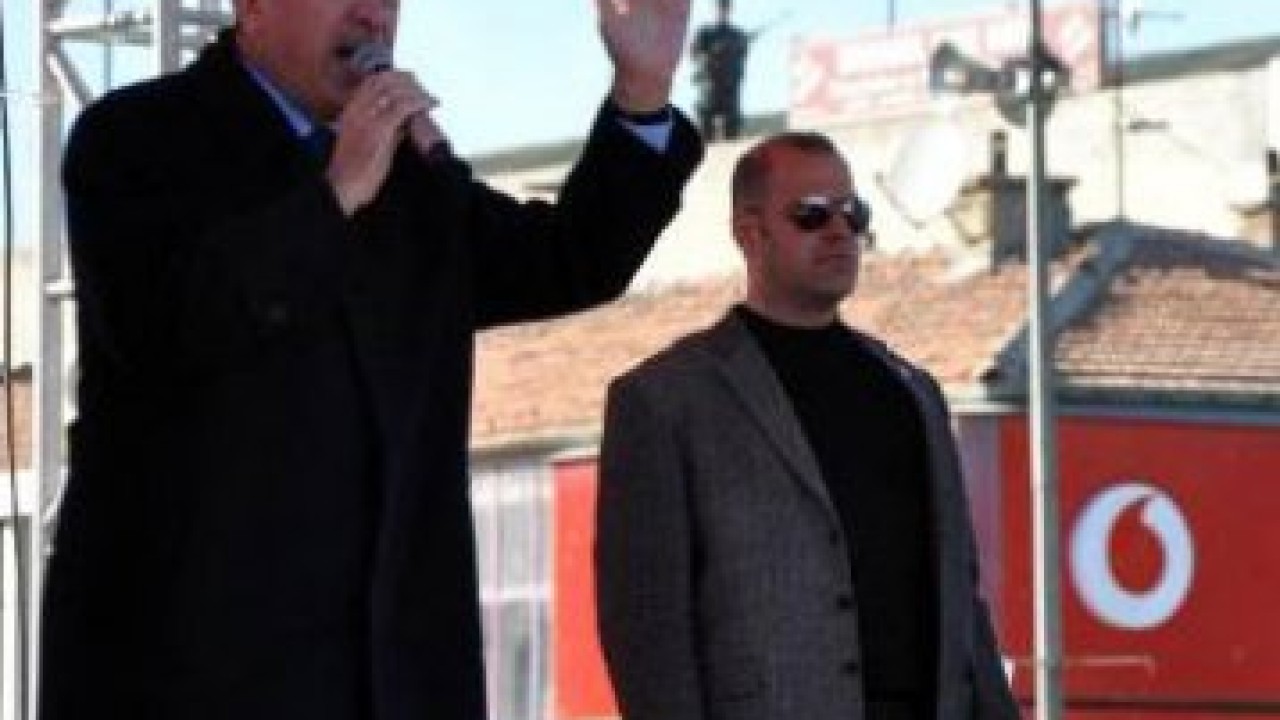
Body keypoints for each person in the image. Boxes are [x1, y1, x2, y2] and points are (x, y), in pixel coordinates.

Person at [40, 0, 701, 716]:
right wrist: (334, 194)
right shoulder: (136, 139)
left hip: (392, 683)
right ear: (252, 7)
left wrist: (641, 91)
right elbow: (163, 325)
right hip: (196, 676)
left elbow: (567, 259)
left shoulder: (409, 179)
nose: (372, 16)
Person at [595, 132, 1018, 720]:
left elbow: (962, 603)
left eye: (853, 213)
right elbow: (647, 629)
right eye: (811, 215)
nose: (839, 231)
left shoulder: (912, 392)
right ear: (750, 233)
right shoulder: (666, 401)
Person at [690, 0, 750, 141]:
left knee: (732, 135)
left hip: (730, 89)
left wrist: (732, 50)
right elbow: (693, 54)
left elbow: (742, 56)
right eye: (720, 8)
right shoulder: (705, 32)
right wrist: (713, 53)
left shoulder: (737, 34)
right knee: (705, 135)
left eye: (725, 8)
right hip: (708, 87)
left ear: (730, 10)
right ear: (715, 9)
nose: (722, 11)